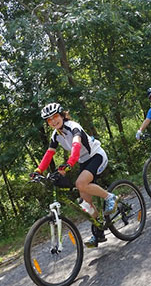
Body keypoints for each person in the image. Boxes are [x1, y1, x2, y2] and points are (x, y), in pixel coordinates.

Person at [30, 102, 116, 248]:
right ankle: (98, 232)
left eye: (55, 116)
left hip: (96, 156)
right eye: (49, 120)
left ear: (62, 115)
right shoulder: (55, 135)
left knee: (80, 183)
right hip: (83, 161)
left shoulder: (73, 126)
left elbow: (76, 145)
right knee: (86, 205)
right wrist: (38, 171)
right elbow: (49, 153)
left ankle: (110, 197)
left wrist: (69, 164)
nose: (53, 121)